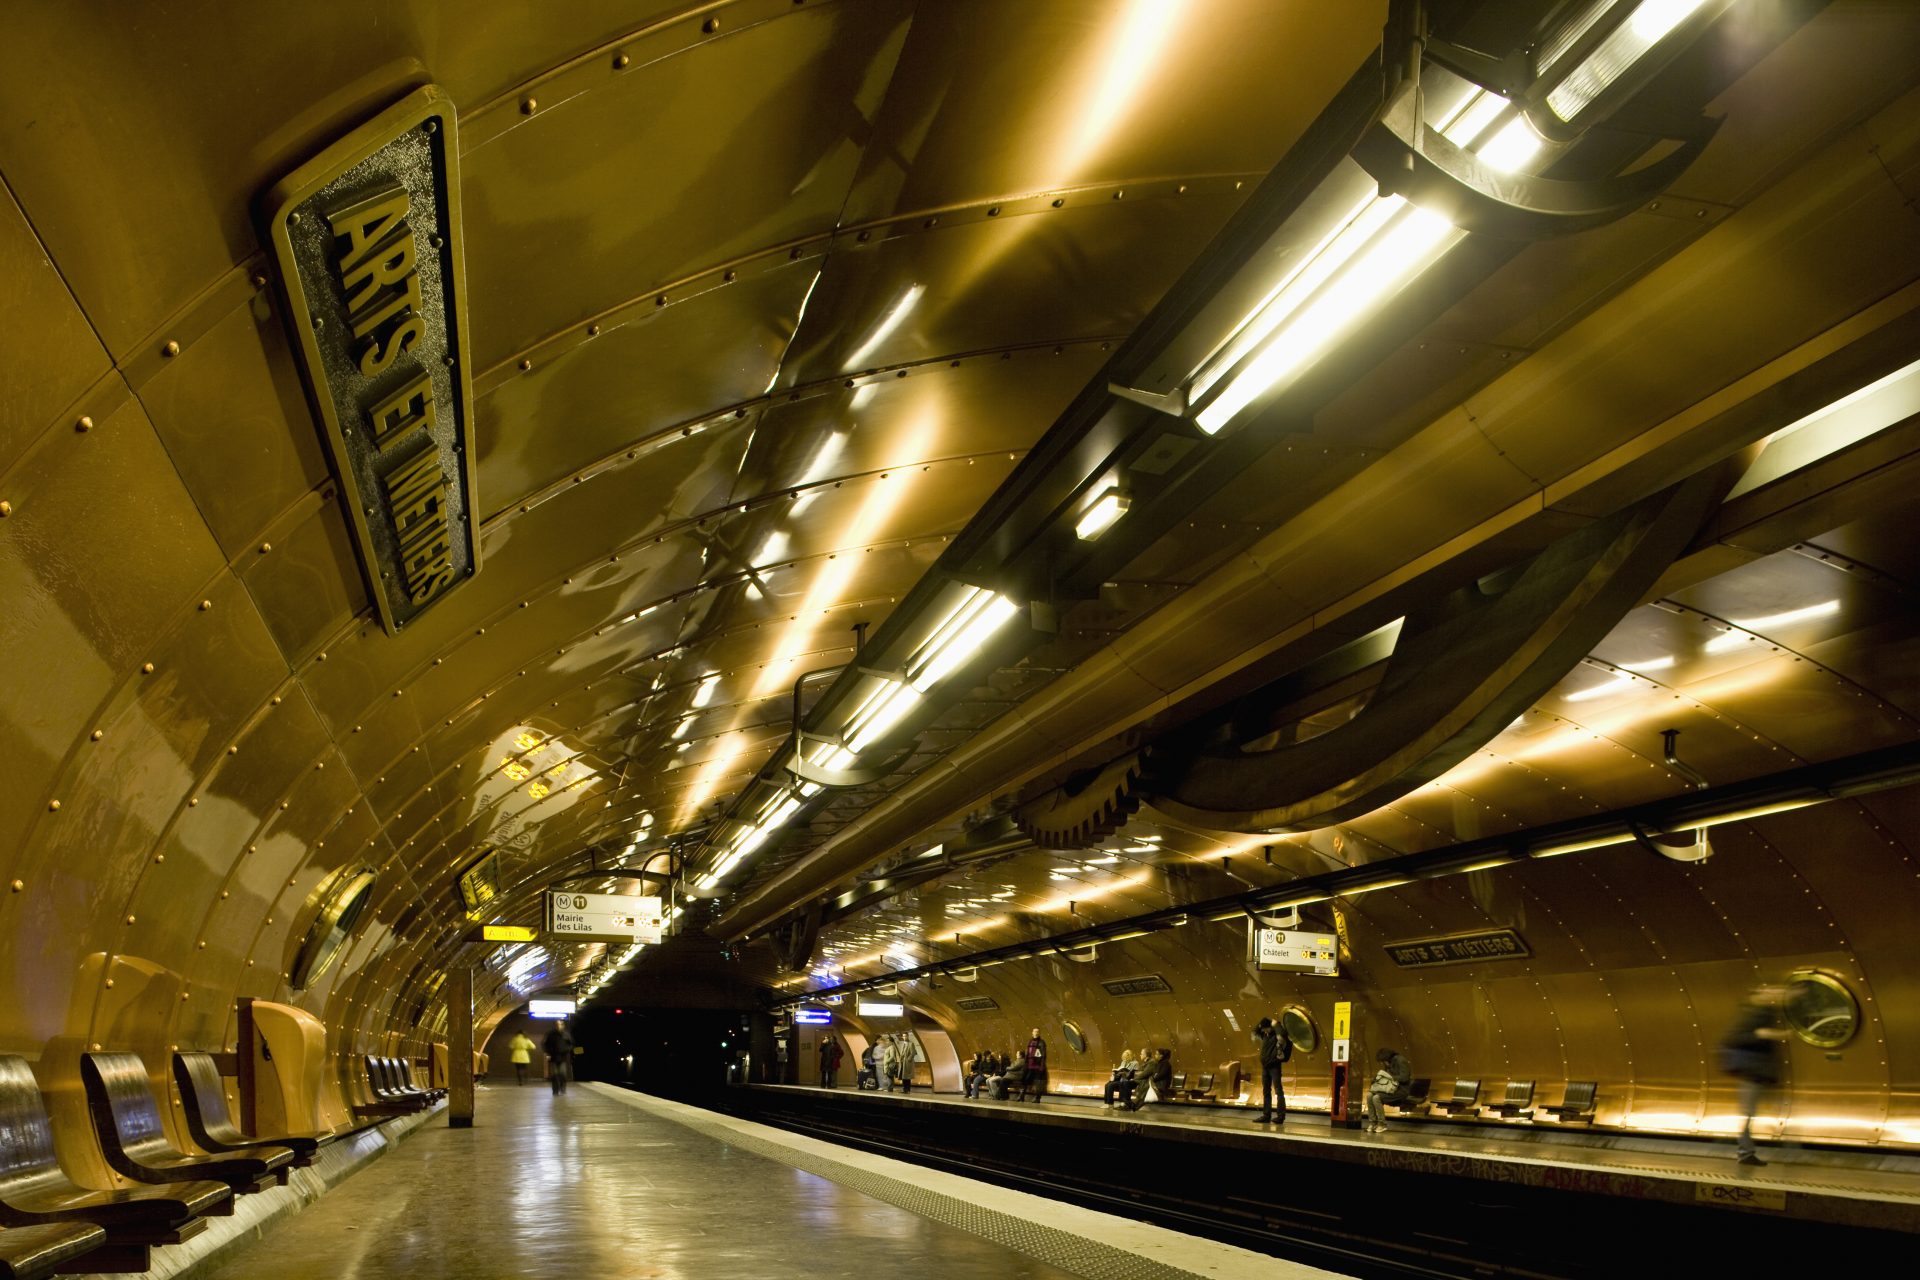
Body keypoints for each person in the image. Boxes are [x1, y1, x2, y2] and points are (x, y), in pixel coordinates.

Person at [1719, 983, 1791, 1165]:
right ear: (1756, 993)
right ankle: (1745, 1152)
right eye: (1766, 990)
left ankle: (1747, 1150)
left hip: (1759, 1072)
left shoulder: (1766, 1012)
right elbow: (1733, 1038)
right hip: (1751, 1072)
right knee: (1748, 1111)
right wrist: (1761, 1034)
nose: (1770, 993)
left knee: (1751, 1111)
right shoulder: (1751, 1014)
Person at [1252, 1016, 1291, 1124]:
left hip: (1274, 1066)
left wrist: (1275, 1024)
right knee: (1266, 1091)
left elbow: (1283, 1034)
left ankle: (1280, 1116)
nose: (1263, 1031)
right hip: (1265, 1067)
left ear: (1270, 1027)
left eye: (1265, 1028)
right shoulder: (1265, 1034)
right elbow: (1254, 1031)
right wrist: (1261, 1023)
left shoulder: (1277, 1035)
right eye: (1263, 1029)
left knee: (1278, 1091)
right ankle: (1266, 1115)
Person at [1365, 1047, 1411, 1131]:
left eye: (1383, 1061)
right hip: (1389, 1089)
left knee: (1376, 1098)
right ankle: (1373, 1122)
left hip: (1401, 1090)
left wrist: (1390, 1078)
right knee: (1369, 1095)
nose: (1383, 1064)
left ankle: (1382, 1124)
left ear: (1386, 1058)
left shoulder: (1401, 1061)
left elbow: (1405, 1077)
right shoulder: (1389, 1063)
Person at [1127, 1047, 1171, 1111]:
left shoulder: (1166, 1064)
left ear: (1161, 1056)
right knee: (1145, 1085)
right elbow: (1155, 1074)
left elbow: (1160, 1075)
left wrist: (1152, 1078)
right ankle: (1136, 1105)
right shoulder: (1159, 1063)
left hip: (1161, 1084)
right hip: (1157, 1082)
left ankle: (1136, 1106)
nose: (1155, 1055)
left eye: (1156, 1054)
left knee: (1146, 1086)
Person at [542, 1022, 574, 1097]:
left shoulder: (566, 1034)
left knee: (563, 1074)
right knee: (555, 1075)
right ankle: (555, 1091)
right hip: (553, 1057)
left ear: (563, 1026)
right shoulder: (550, 1034)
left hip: (563, 1057)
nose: (559, 1026)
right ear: (555, 1026)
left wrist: (567, 1050)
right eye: (557, 1025)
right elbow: (544, 1044)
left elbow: (571, 1044)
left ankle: (563, 1089)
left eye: (560, 1024)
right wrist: (548, 1052)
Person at [1016, 1028, 1048, 1101]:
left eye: (1037, 1032)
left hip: (1037, 1066)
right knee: (1025, 1080)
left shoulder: (1042, 1042)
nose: (1036, 1033)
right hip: (1029, 1065)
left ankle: (1037, 1098)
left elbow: (1043, 1055)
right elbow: (1027, 1053)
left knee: (1038, 1082)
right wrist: (1026, 1064)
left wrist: (1042, 1065)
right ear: (1032, 1033)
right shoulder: (1030, 1041)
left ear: (1039, 1033)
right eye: (1035, 1031)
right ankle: (1022, 1096)